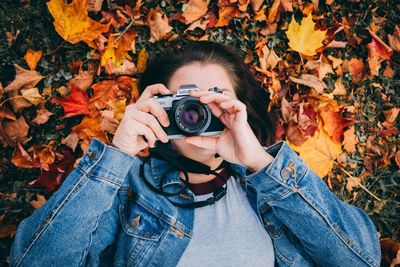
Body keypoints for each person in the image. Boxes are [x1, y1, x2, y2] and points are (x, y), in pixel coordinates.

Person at [9, 41, 381, 267]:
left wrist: (261, 164)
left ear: (241, 109)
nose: (197, 117)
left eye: (215, 102)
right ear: (159, 110)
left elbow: (362, 260)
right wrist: (117, 156)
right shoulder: (125, 191)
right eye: (185, 105)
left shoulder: (273, 188)